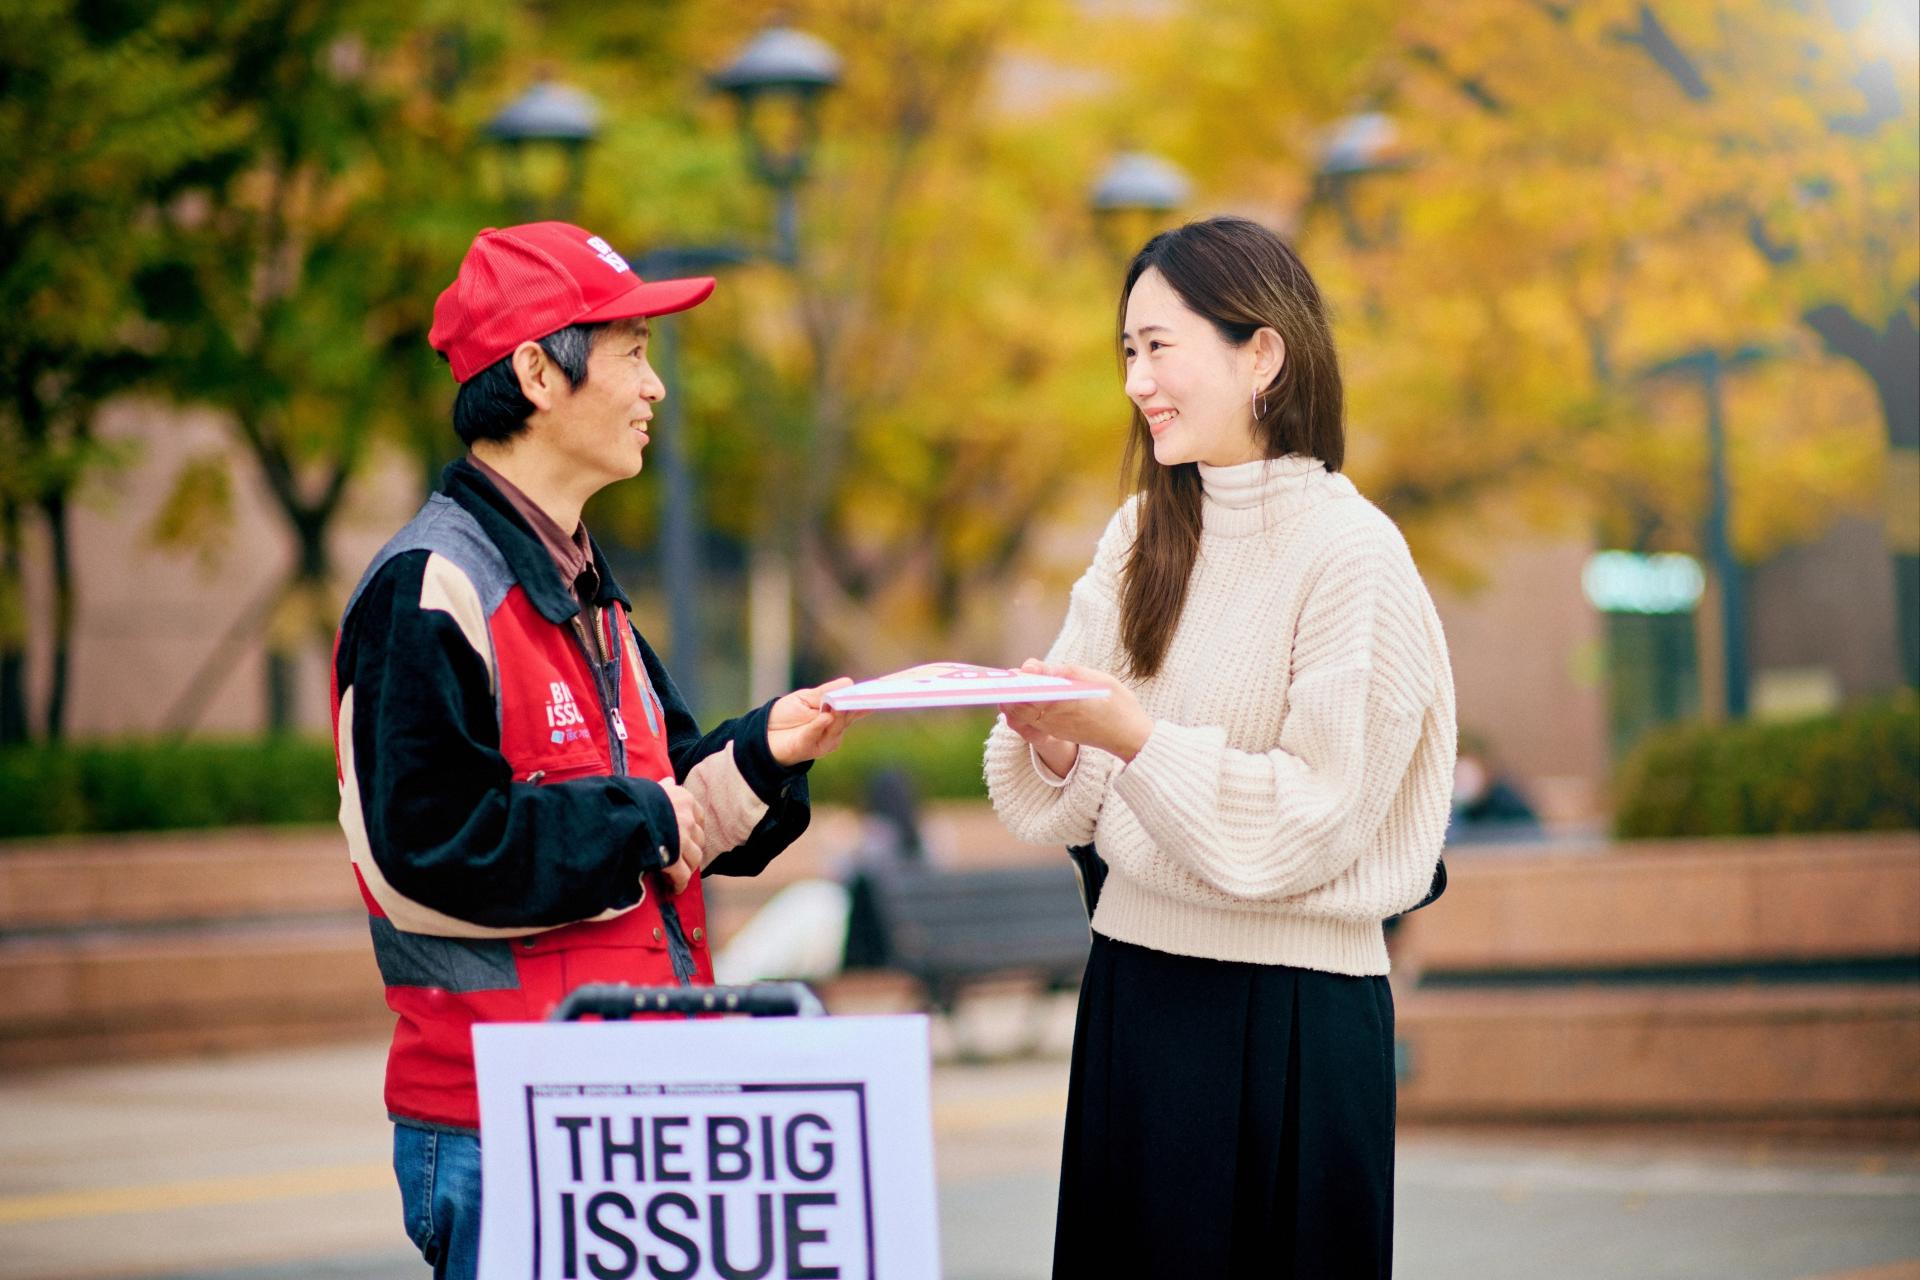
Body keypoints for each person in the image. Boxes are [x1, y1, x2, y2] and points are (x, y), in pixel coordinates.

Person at [330, 221, 861, 1280]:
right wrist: (654, 818)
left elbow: (671, 806)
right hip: (504, 1115)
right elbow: (428, 850)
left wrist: (763, 753)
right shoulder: (429, 585)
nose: (654, 387)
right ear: (536, 369)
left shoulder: (582, 587)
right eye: (630, 352)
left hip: (627, 1108)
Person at [984, 216, 1456, 1278]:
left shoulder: (1353, 553)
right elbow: (1068, 795)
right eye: (1127, 351)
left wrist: (1130, 735)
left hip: (1294, 1013)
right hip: (1137, 993)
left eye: (1160, 346)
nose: (1138, 380)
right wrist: (1057, 743)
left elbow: (1314, 815)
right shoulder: (1141, 535)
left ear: (1263, 353)